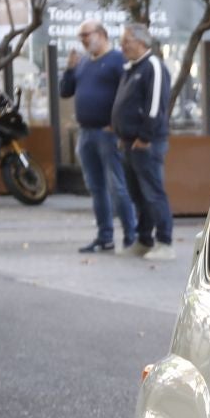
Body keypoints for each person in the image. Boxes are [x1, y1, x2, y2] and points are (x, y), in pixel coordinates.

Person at [59, 21, 135, 253]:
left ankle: (131, 236)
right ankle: (105, 236)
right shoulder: (82, 63)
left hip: (107, 133)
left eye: (86, 35)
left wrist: (117, 124)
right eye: (80, 36)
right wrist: (70, 69)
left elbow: (129, 95)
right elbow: (65, 92)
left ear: (101, 34)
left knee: (117, 186)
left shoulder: (116, 60)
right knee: (95, 187)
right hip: (86, 132)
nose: (82, 40)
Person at [113, 23, 175, 261]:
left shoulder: (153, 66)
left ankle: (165, 242)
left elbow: (155, 107)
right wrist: (123, 136)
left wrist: (144, 137)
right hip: (129, 142)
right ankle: (144, 239)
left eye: (126, 41)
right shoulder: (131, 68)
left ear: (141, 42)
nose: (122, 46)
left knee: (153, 192)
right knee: (137, 194)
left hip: (146, 143)